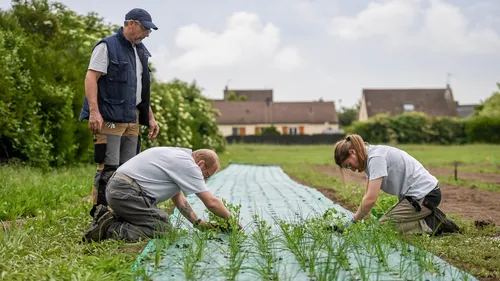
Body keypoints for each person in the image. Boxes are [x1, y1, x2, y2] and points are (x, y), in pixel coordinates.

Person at [78, 8, 160, 218]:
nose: (147, 34)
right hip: (109, 118)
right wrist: (94, 112)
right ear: (131, 24)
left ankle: (121, 213)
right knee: (108, 167)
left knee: (128, 169)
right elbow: (91, 78)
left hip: (132, 118)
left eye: (149, 31)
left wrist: (149, 116)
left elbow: (139, 90)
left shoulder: (140, 51)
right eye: (144, 29)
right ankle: (100, 214)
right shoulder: (107, 46)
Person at [83, 147, 240, 243]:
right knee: (162, 227)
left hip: (120, 190)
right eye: (206, 176)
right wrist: (232, 221)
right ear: (201, 165)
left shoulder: (178, 156)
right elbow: (211, 202)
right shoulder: (189, 166)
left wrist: (197, 223)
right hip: (126, 192)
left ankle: (110, 217)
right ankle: (110, 228)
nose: (203, 180)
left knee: (157, 220)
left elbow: (178, 198)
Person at [333, 134, 459, 236]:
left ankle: (433, 223)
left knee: (384, 228)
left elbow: (371, 199)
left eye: (349, 165)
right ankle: (427, 215)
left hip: (425, 196)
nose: (353, 170)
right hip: (417, 196)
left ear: (352, 152)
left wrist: (353, 222)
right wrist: (361, 219)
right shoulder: (369, 156)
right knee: (383, 224)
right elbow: (367, 195)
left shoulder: (375, 159)